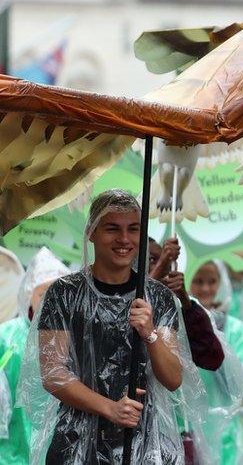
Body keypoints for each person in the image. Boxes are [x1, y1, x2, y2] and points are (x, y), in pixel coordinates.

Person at [18, 188, 208, 464]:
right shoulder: (64, 294)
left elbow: (172, 378)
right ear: (92, 232)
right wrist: (110, 408)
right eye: (112, 228)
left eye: (133, 229)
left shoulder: (158, 297)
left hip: (146, 443)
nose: (124, 239)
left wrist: (150, 334)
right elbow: (53, 374)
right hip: (76, 444)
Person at [190, 259, 243, 464]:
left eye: (212, 281)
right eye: (198, 280)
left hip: (227, 432)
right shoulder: (177, 324)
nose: (205, 288)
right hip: (188, 426)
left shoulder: (234, 328)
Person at [0, 247, 69, 464]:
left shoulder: (75, 341)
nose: (50, 300)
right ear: (29, 295)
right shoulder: (7, 336)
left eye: (58, 292)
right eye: (43, 293)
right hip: (12, 454)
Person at [148, 236, 225, 371]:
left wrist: (184, 300)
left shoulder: (179, 306)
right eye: (152, 260)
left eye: (168, 260)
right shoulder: (114, 301)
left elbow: (211, 358)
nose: (165, 265)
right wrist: (155, 276)